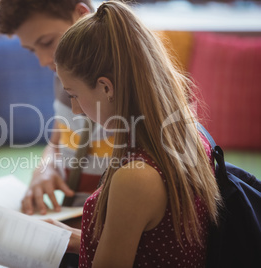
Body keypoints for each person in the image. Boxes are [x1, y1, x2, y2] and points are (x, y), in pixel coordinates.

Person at [49, 1, 222, 267]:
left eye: (74, 95)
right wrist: (73, 239)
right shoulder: (189, 135)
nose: (75, 109)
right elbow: (148, 244)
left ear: (106, 87)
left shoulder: (135, 178)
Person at [0, 0, 113, 216]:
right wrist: (45, 166)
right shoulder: (63, 75)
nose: (43, 60)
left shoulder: (124, 84)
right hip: (76, 215)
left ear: (81, 15)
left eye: (47, 42)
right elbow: (58, 139)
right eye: (32, 50)